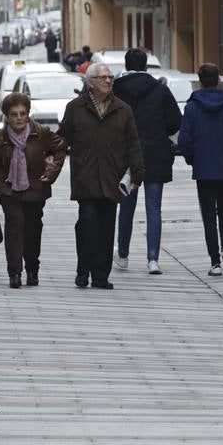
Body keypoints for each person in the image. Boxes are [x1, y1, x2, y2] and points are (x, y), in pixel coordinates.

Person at [58, 61, 144, 290]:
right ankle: (82, 270)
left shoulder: (123, 109)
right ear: (91, 82)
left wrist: (137, 172)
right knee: (87, 223)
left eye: (110, 77)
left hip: (112, 177)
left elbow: (133, 143)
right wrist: (46, 156)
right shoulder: (75, 108)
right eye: (103, 78)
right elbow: (62, 138)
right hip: (85, 176)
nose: (108, 81)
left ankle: (100, 276)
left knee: (106, 227)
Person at [0, 92, 66, 289]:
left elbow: (61, 147)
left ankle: (32, 269)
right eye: (14, 114)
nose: (19, 118)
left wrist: (52, 170)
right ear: (6, 117)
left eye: (22, 113)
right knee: (15, 224)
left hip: (36, 187)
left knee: (33, 229)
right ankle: (15, 272)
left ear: (28, 114)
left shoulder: (41, 132)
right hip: (8, 189)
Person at [112, 48, 182, 275]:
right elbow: (174, 123)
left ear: (126, 64)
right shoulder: (160, 91)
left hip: (125, 157)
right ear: (145, 66)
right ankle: (153, 259)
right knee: (154, 208)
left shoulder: (115, 91)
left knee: (126, 208)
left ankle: (122, 255)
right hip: (155, 154)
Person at [178, 63, 223, 276]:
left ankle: (215, 263)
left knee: (208, 215)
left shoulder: (192, 108)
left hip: (204, 169)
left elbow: (184, 140)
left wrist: (193, 159)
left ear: (199, 81)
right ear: (219, 80)